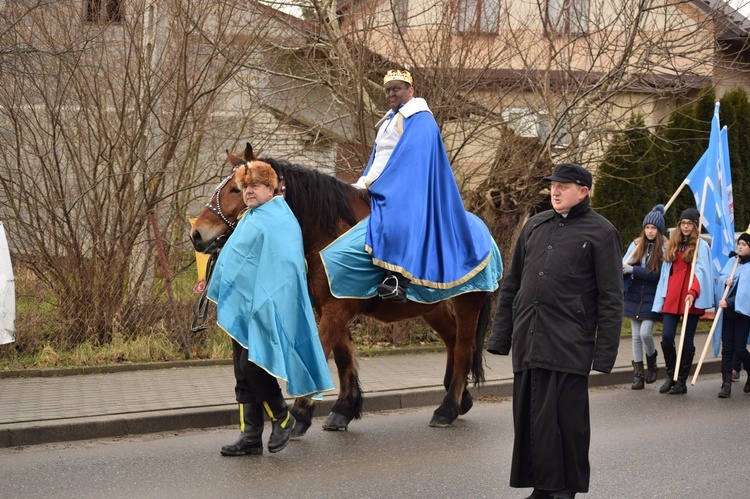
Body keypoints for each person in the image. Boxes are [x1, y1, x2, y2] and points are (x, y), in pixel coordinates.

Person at [487, 163, 623, 499]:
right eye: (553, 186)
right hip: (529, 339)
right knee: (532, 421)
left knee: (566, 424)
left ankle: (565, 489)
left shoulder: (601, 232)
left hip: (569, 343)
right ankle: (542, 486)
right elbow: (513, 283)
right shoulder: (534, 225)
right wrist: (501, 337)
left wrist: (604, 354)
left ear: (584, 191)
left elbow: (611, 298)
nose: (556, 191)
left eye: (564, 186)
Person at [207, 161, 334, 456]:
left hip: (265, 308)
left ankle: (282, 418)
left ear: (270, 188)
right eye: (245, 187)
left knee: (254, 366)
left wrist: (266, 303)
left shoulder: (279, 218)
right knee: (241, 371)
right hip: (243, 307)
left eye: (255, 186)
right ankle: (250, 436)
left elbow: (285, 268)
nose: (248, 192)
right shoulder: (251, 215)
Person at [353, 69, 491, 302]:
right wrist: (364, 181)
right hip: (378, 179)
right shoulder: (388, 120)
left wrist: (386, 184)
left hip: (407, 184)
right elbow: (378, 156)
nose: (391, 94)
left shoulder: (421, 118)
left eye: (396, 89)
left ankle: (397, 279)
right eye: (388, 90)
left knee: (397, 217)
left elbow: (413, 158)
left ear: (411, 91)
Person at [651, 208, 713, 395]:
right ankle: (671, 375)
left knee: (687, 341)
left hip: (689, 298)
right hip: (672, 296)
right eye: (683, 223)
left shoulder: (701, 246)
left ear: (695, 226)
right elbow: (665, 273)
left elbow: (701, 272)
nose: (686, 227)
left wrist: (693, 292)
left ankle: (682, 381)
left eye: (689, 224)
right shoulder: (673, 245)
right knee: (667, 337)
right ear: (679, 225)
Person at [622, 205, 665, 389]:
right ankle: (638, 375)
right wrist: (623, 270)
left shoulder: (663, 248)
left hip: (652, 297)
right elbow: (625, 265)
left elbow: (656, 275)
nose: (649, 231)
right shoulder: (635, 245)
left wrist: (634, 269)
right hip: (633, 295)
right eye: (647, 227)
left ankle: (653, 363)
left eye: (653, 228)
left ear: (659, 230)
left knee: (645, 333)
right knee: (635, 337)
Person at [715, 228, 750, 398]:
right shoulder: (732, 262)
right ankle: (726, 384)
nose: (740, 247)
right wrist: (725, 281)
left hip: (742, 315)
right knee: (727, 349)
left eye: (744, 244)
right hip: (728, 314)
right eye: (739, 244)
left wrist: (728, 301)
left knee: (740, 348)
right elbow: (721, 278)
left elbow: (746, 293)